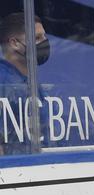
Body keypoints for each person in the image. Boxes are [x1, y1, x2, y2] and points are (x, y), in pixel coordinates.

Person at [0, 12, 50, 154]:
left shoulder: (29, 82)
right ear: (14, 43)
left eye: (44, 36)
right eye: (37, 38)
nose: (44, 42)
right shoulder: (4, 84)